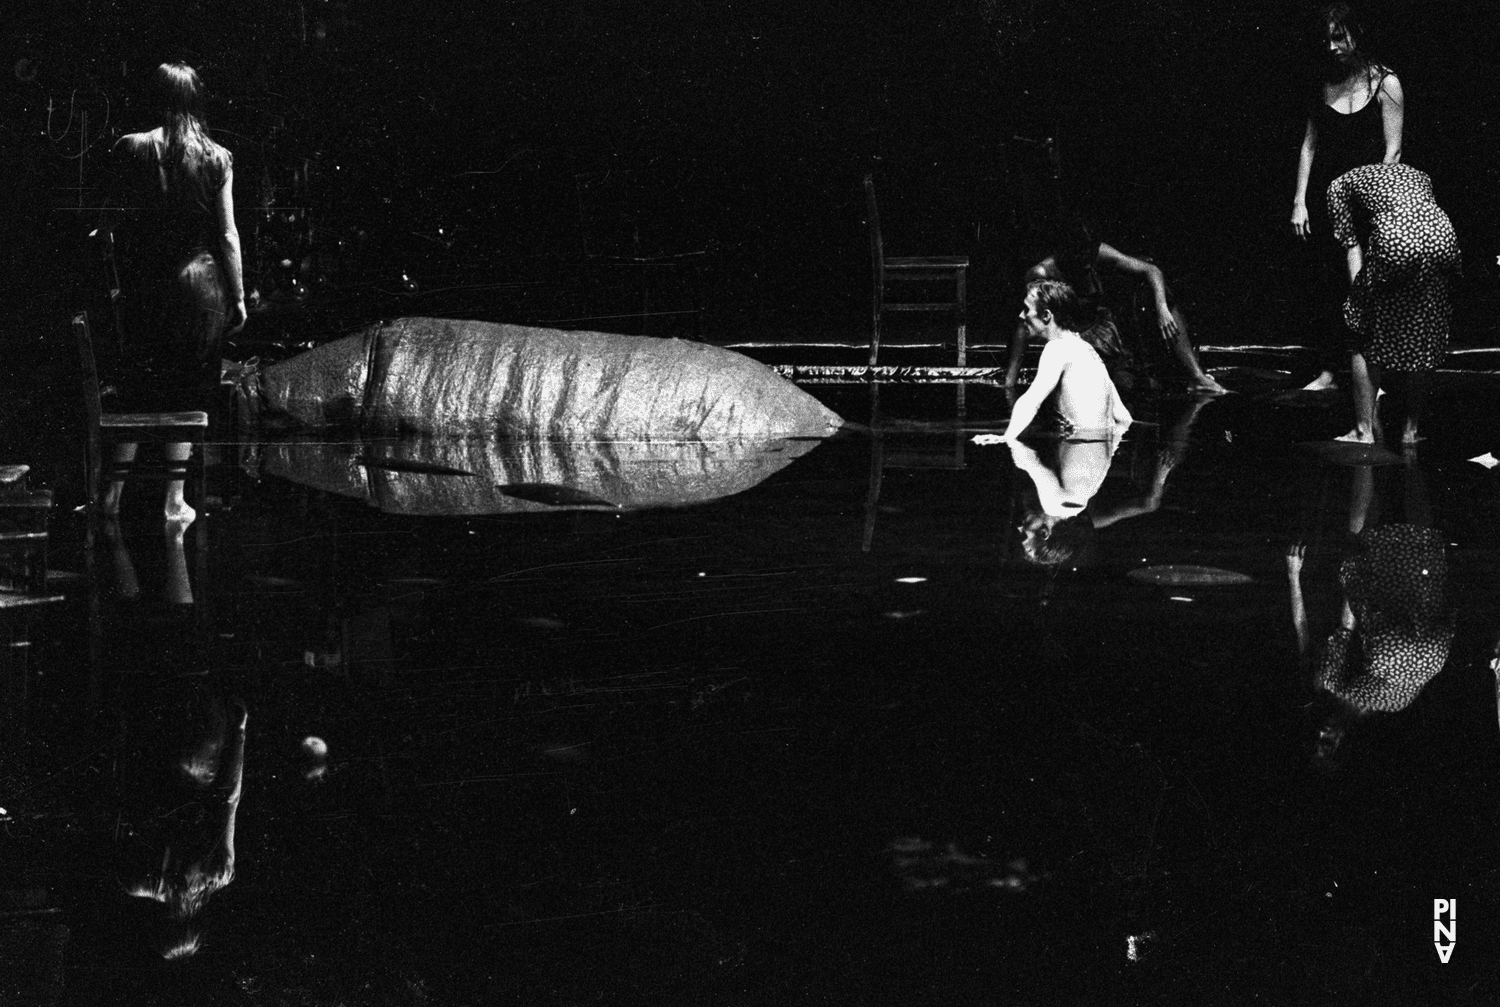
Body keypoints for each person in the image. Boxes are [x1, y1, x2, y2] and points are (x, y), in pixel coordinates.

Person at [101, 62, 247, 523]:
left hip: (146, 283)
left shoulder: (131, 147)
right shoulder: (218, 158)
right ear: (196, 101)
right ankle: (174, 500)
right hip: (201, 286)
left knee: (135, 388)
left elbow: (108, 225)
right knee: (187, 390)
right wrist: (239, 296)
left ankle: (112, 496)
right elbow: (227, 234)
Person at [1290, 4, 1404, 391]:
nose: (1333, 47)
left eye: (1339, 37)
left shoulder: (1385, 82)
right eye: (1327, 40)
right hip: (1329, 200)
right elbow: (1309, 144)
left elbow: (1393, 152)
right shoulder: (1322, 84)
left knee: (1369, 289)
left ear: (1357, 33)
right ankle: (1328, 371)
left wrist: (1376, 207)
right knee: (1328, 286)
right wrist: (1299, 200)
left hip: (1369, 204)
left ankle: (1375, 376)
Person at [1003, 217, 1226, 394]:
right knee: (1124, 386)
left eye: (1091, 254)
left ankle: (1196, 376)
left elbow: (1151, 270)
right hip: (1071, 340)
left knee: (1161, 294)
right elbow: (1025, 323)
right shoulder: (1043, 272)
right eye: (1081, 257)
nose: (1088, 263)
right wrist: (1010, 383)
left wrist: (1162, 308)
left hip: (1103, 333)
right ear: (1066, 251)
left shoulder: (1095, 253)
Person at [1327, 162, 1459, 446]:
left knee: (1362, 333)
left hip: (1397, 237)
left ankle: (1363, 431)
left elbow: (1350, 244)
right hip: (1443, 234)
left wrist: (1360, 298)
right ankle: (1411, 431)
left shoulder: (1338, 185)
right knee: (1425, 329)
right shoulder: (1418, 173)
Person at [1002, 280, 1133, 443]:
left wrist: (1006, 439)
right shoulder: (1087, 349)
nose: (1021, 316)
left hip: (1079, 449)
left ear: (1046, 316)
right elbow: (1123, 417)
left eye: (1026, 309)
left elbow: (1030, 401)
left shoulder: (1056, 348)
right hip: (1100, 449)